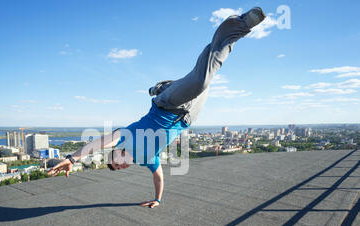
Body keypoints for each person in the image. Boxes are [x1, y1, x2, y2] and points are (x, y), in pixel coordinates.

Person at [48, 8, 266, 208]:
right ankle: (164, 85)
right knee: (204, 74)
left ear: (115, 154)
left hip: (166, 104)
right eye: (119, 170)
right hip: (187, 116)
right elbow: (158, 176)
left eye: (115, 163)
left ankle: (238, 24)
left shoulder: (125, 137)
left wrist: (72, 158)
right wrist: (157, 199)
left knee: (201, 81)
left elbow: (96, 144)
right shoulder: (147, 160)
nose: (120, 167)